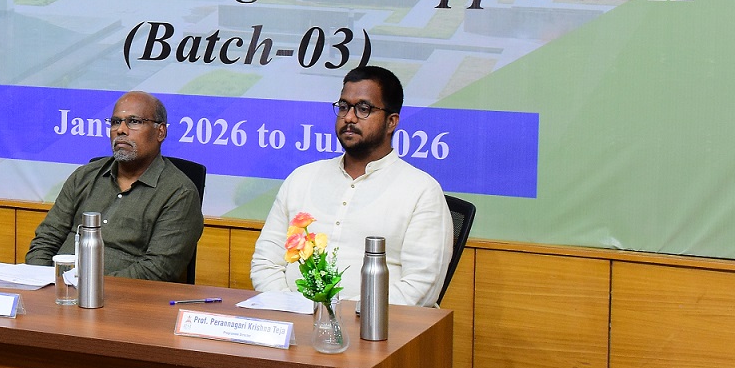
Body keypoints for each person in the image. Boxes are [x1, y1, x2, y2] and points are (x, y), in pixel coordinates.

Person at [250, 66, 451, 306]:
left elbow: (421, 287)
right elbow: (265, 263)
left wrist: (338, 316)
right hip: (292, 318)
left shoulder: (421, 191)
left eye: (363, 109)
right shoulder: (301, 178)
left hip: (378, 326)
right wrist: (292, 308)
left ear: (391, 122)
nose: (349, 117)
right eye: (344, 106)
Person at [23, 90, 201, 281]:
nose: (121, 130)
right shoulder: (84, 176)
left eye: (134, 121)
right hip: (58, 289)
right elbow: (45, 240)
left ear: (160, 132)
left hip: (122, 296)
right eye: (115, 122)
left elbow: (157, 270)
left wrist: (89, 287)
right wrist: (42, 280)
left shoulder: (179, 193)